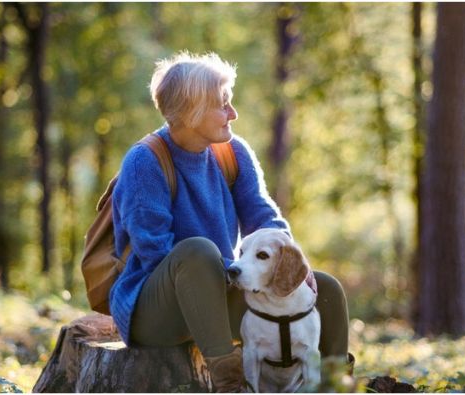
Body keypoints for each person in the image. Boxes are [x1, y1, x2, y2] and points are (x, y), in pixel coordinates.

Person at [109, 51, 352, 392]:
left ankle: (333, 386)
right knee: (197, 252)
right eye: (223, 104)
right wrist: (233, 271)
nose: (233, 114)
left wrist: (291, 263)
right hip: (155, 311)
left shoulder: (233, 152)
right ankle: (232, 384)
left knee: (323, 287)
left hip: (221, 292)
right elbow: (155, 252)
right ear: (191, 110)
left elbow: (265, 217)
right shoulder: (145, 161)